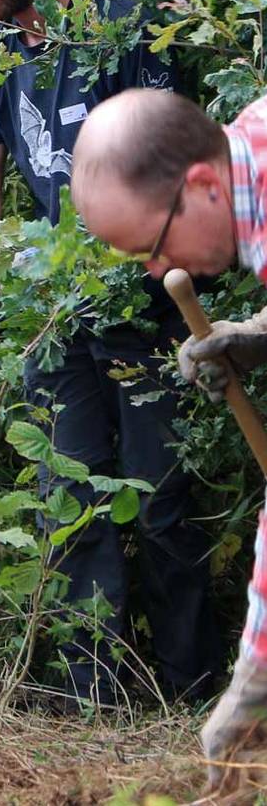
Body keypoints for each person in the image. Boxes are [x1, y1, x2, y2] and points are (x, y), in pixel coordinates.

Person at [0, 0, 218, 706]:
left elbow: (170, 171)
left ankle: (189, 689)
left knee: (161, 501)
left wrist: (131, 256)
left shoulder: (119, 30)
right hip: (51, 317)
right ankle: (95, 694)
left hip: (145, 306)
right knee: (71, 498)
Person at [71, 87, 267, 782]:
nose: (157, 273)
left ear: (203, 184)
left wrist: (251, 685)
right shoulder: (250, 143)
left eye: (151, 249)